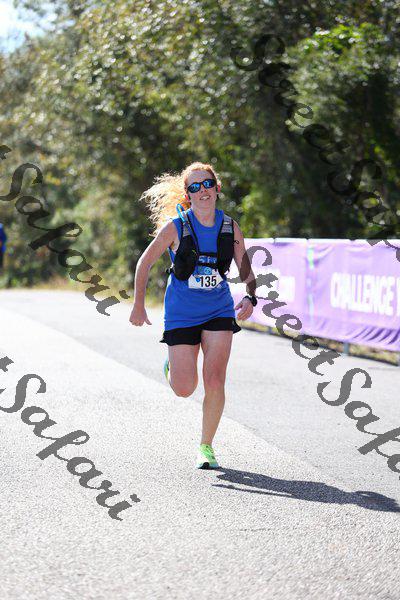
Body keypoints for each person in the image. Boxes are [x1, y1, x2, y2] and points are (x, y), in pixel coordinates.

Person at [129, 162, 257, 469]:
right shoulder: (176, 227)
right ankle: (172, 368)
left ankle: (206, 446)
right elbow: (145, 262)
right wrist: (138, 305)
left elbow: (245, 266)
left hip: (218, 309)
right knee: (184, 388)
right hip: (182, 313)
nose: (203, 191)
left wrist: (251, 295)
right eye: (195, 187)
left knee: (215, 379)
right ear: (187, 195)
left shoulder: (230, 227)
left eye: (207, 184)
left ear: (217, 188)